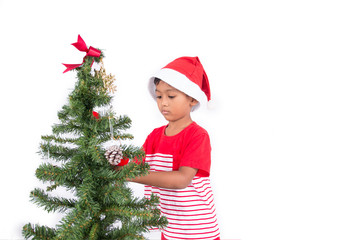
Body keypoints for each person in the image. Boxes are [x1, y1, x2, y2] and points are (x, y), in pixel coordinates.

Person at [123, 56, 220, 240]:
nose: (163, 102)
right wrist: (115, 160)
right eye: (159, 96)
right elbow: (134, 164)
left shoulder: (197, 136)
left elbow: (182, 179)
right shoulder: (154, 136)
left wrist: (129, 175)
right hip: (170, 227)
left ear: (192, 99)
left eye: (171, 96)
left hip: (197, 229)